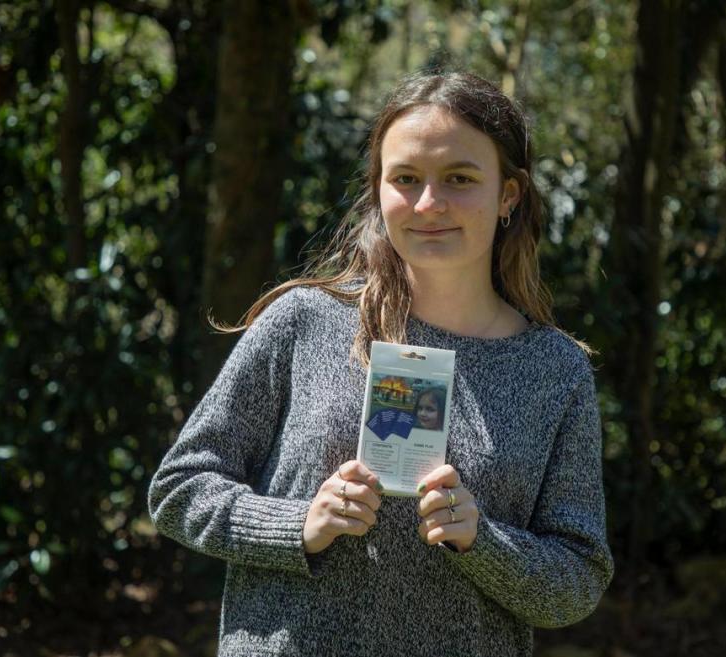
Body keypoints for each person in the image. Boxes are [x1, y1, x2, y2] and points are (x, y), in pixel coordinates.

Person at [148, 70, 613, 657]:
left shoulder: (555, 371)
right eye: (406, 179)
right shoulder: (302, 322)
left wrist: (483, 542)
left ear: (508, 196)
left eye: (459, 178)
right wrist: (299, 526)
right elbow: (178, 489)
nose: (428, 203)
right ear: (378, 190)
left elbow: (579, 580)